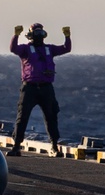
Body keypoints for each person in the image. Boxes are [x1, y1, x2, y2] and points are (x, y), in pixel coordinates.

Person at [7, 23, 72, 158]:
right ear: (30, 35)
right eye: (36, 34)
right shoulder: (25, 49)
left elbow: (66, 48)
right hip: (29, 88)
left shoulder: (49, 49)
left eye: (41, 34)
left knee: (51, 117)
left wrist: (67, 37)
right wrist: (16, 35)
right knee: (22, 117)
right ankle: (16, 146)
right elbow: (13, 48)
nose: (39, 36)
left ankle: (54, 146)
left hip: (46, 88)